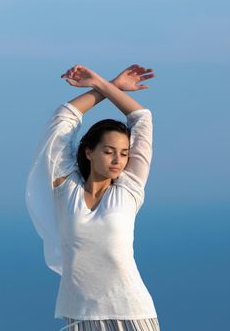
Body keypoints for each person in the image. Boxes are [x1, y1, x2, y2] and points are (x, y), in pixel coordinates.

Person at [25, 64, 160, 331]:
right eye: (109, 151)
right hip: (81, 316)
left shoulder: (129, 189)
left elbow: (142, 118)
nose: (118, 160)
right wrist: (103, 86)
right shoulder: (66, 188)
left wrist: (104, 84)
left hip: (133, 315)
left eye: (124, 153)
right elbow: (63, 119)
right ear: (89, 152)